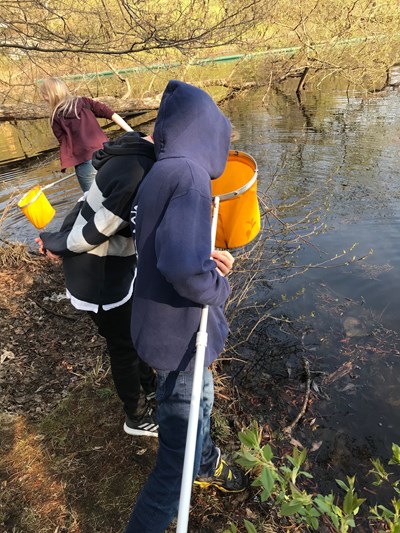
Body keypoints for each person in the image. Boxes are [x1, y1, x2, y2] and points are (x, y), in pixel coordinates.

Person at [125, 80, 247, 533]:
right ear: (207, 131)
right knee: (172, 468)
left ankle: (208, 461)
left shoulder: (162, 171)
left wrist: (205, 258)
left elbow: (165, 247)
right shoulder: (192, 177)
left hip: (163, 330)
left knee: (199, 403)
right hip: (180, 338)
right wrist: (217, 286)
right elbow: (181, 269)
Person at [36, 130, 159, 437]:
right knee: (123, 346)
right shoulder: (137, 172)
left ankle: (152, 387)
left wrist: (56, 239)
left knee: (132, 333)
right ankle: (136, 416)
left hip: (110, 267)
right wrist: (56, 244)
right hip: (100, 276)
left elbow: (84, 203)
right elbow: (92, 232)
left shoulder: (132, 149)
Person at [40, 77, 134, 192]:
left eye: (44, 95)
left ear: (50, 95)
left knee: (92, 203)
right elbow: (111, 114)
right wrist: (132, 132)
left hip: (85, 163)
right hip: (106, 154)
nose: (43, 98)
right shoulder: (84, 102)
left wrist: (70, 161)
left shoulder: (55, 117)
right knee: (117, 195)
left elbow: (64, 144)